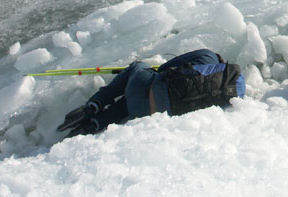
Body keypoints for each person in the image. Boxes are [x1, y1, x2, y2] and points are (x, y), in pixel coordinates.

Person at [58, 49, 244, 137]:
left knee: (138, 69)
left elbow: (164, 69)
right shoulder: (234, 93)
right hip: (148, 116)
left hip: (144, 89)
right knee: (133, 102)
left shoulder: (206, 56)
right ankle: (93, 125)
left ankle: (94, 104)